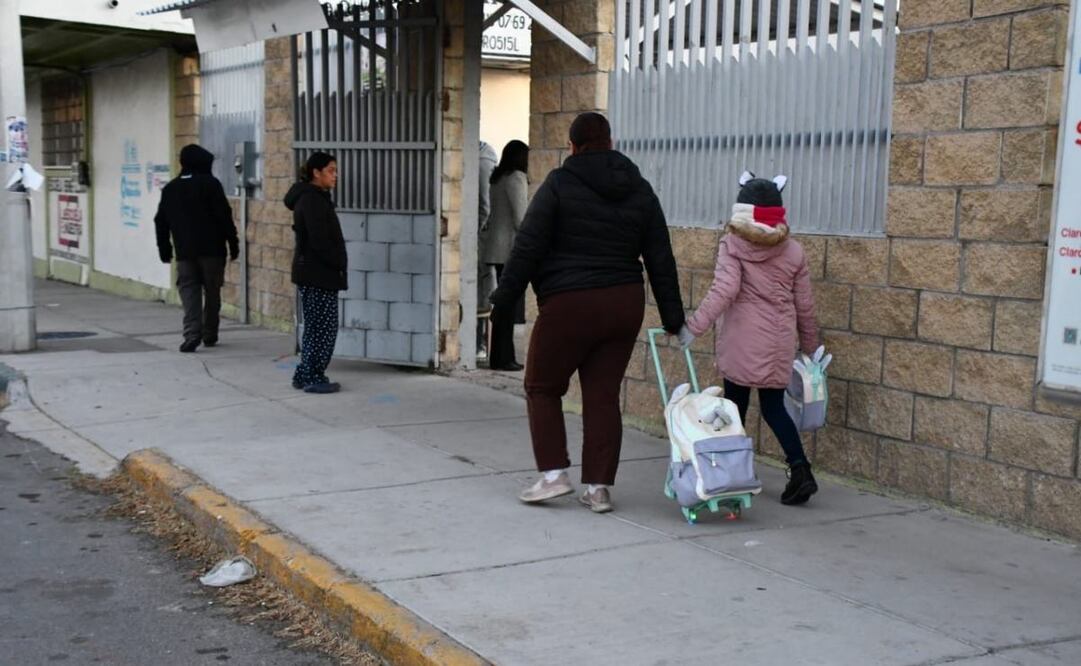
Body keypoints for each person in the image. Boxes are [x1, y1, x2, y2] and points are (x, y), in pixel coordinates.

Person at [490, 113, 684, 514]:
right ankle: (597, 488)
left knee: (542, 386)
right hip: (623, 302)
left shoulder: (560, 183)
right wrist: (673, 317)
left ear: (573, 146)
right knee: (602, 394)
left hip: (570, 302)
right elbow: (660, 257)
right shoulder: (640, 188)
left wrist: (503, 301)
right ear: (611, 143)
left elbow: (528, 245)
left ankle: (553, 475)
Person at [678, 172, 821, 505]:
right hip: (778, 342)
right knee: (773, 408)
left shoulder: (732, 244)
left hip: (742, 339)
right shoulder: (794, 251)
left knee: (735, 406)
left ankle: (731, 474)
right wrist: (811, 346)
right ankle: (801, 470)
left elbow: (724, 290)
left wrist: (693, 327)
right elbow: (805, 305)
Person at [155, 144, 239, 353]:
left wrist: (164, 249)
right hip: (213, 252)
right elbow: (224, 216)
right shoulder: (210, 184)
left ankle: (192, 334)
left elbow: (160, 221)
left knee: (189, 293)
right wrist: (233, 242)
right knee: (212, 293)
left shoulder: (170, 189)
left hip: (184, 252)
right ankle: (209, 333)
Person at [284, 152, 347, 394]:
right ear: (316, 173)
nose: (335, 175)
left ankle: (305, 374)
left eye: (335, 170)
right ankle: (313, 376)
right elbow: (319, 240)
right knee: (323, 328)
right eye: (331, 170)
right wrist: (337, 261)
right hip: (317, 274)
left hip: (316, 273)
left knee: (315, 327)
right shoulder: (311, 200)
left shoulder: (316, 197)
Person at [482, 140, 529, 371]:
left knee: (503, 305)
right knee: (508, 307)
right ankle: (504, 358)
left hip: (496, 247)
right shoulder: (517, 178)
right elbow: (522, 219)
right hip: (510, 249)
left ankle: (498, 357)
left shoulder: (497, 178)